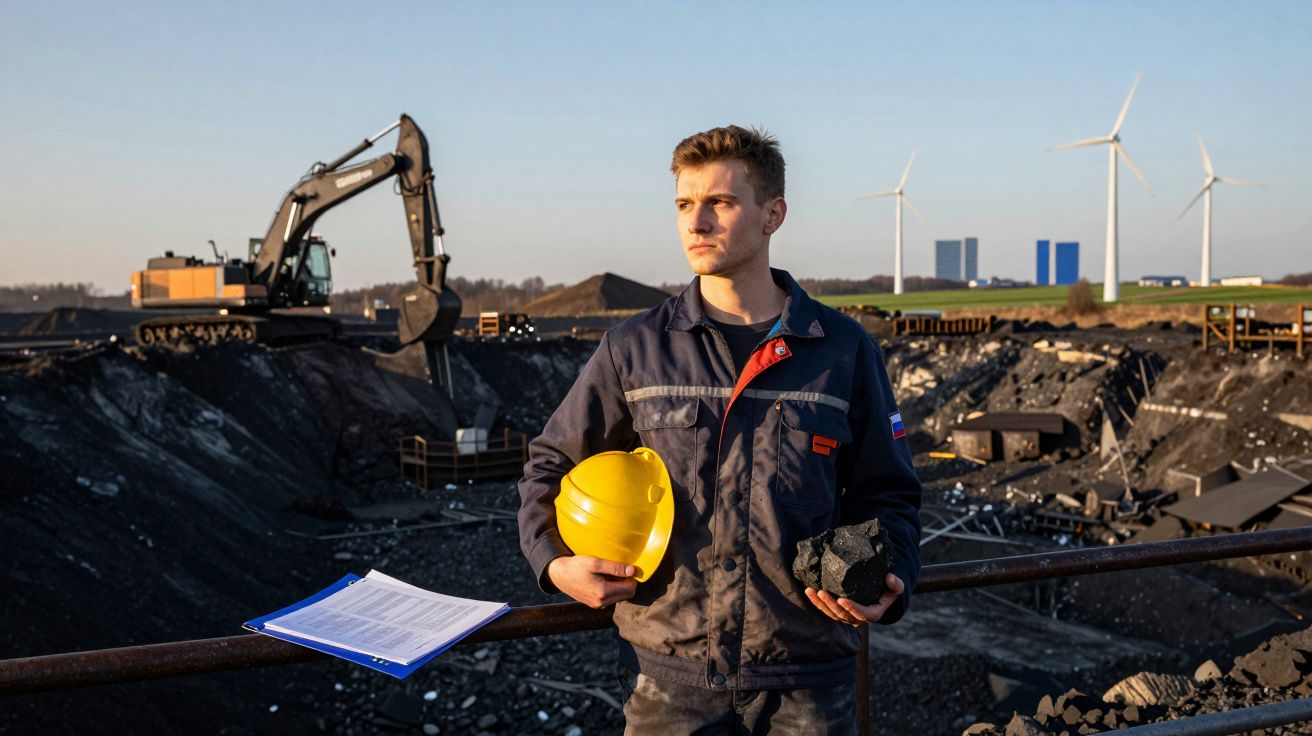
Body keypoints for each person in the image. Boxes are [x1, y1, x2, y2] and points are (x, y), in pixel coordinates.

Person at [518, 125, 922, 734]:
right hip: (670, 685)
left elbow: (889, 493)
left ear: (773, 214)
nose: (696, 222)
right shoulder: (635, 349)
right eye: (684, 204)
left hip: (808, 686)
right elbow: (549, 464)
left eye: (721, 203)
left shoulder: (842, 351)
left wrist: (893, 581)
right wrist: (553, 563)